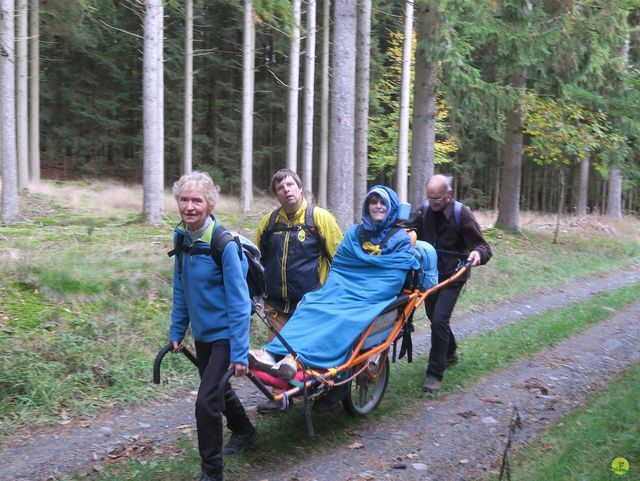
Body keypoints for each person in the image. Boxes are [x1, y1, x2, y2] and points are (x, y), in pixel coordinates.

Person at [249, 185, 437, 412]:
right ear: (367, 206)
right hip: (343, 290)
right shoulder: (355, 233)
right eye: (373, 201)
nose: (377, 206)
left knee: (342, 317)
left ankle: (296, 360)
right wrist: (338, 289)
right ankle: (273, 353)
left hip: (372, 297)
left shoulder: (400, 238)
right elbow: (341, 267)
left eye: (383, 203)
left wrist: (361, 290)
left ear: (391, 208)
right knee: (311, 304)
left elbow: (392, 277)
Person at [168, 171, 257, 481]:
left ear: (209, 204)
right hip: (203, 335)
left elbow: (239, 301)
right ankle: (245, 431)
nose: (190, 206)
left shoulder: (223, 244)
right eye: (184, 199)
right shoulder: (181, 238)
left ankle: (212, 471)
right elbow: (181, 289)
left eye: (197, 200)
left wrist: (240, 353)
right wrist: (177, 332)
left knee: (206, 401)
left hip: (225, 336)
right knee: (219, 391)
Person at [254, 169, 342, 412]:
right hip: (276, 306)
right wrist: (258, 295)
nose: (287, 190)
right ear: (277, 194)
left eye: (291, 185)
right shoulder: (269, 223)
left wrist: (329, 297)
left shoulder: (320, 219)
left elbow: (339, 260)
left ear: (300, 188)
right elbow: (259, 262)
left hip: (311, 304)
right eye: (281, 188)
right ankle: (281, 398)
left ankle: (326, 392)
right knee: (277, 358)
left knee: (311, 355)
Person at [413, 174, 492, 393]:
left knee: (439, 319)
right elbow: (410, 234)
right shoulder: (424, 211)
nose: (433, 203)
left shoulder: (462, 214)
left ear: (449, 194)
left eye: (437, 198)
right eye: (430, 198)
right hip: (429, 276)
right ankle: (450, 352)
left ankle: (434, 374)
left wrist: (476, 254)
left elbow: (483, 246)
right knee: (434, 318)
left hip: (454, 276)